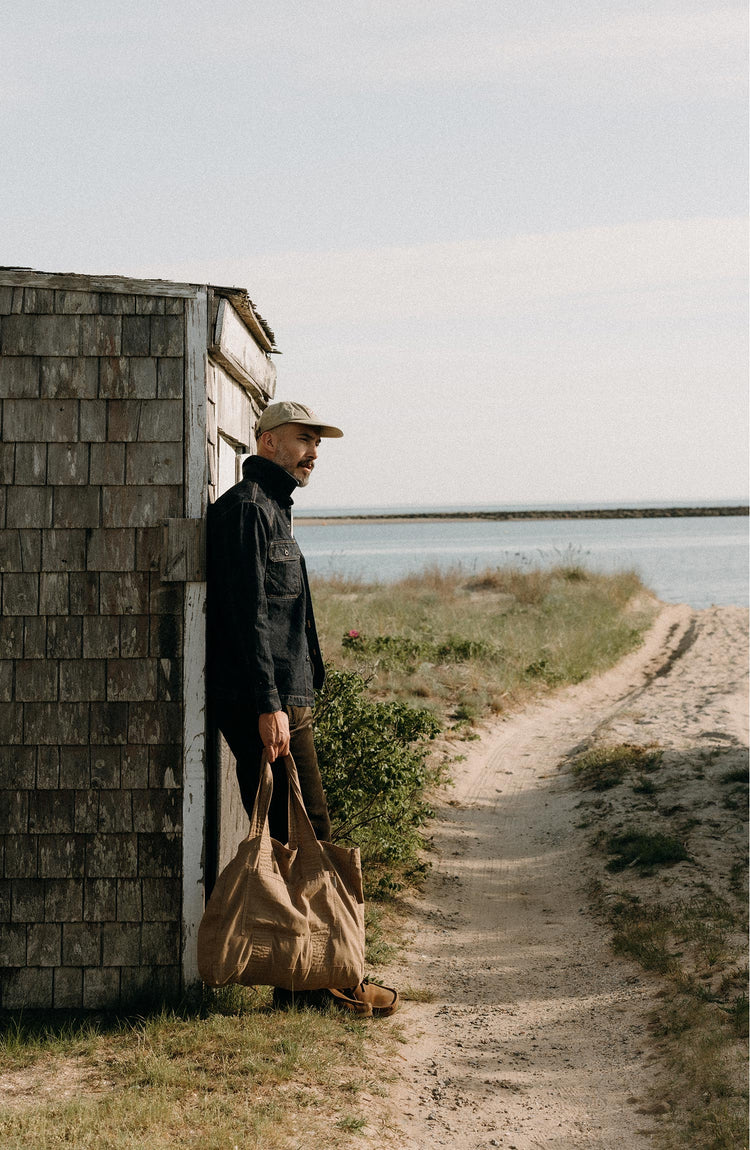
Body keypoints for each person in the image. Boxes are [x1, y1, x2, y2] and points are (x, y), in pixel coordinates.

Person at [206, 400, 398, 1017]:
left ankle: (309, 982)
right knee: (303, 833)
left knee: (301, 837)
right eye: (303, 440)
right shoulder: (244, 513)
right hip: (268, 706)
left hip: (289, 702)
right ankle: (319, 986)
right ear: (266, 442)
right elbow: (246, 619)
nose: (314, 451)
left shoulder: (272, 511)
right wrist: (269, 706)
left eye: (318, 442)